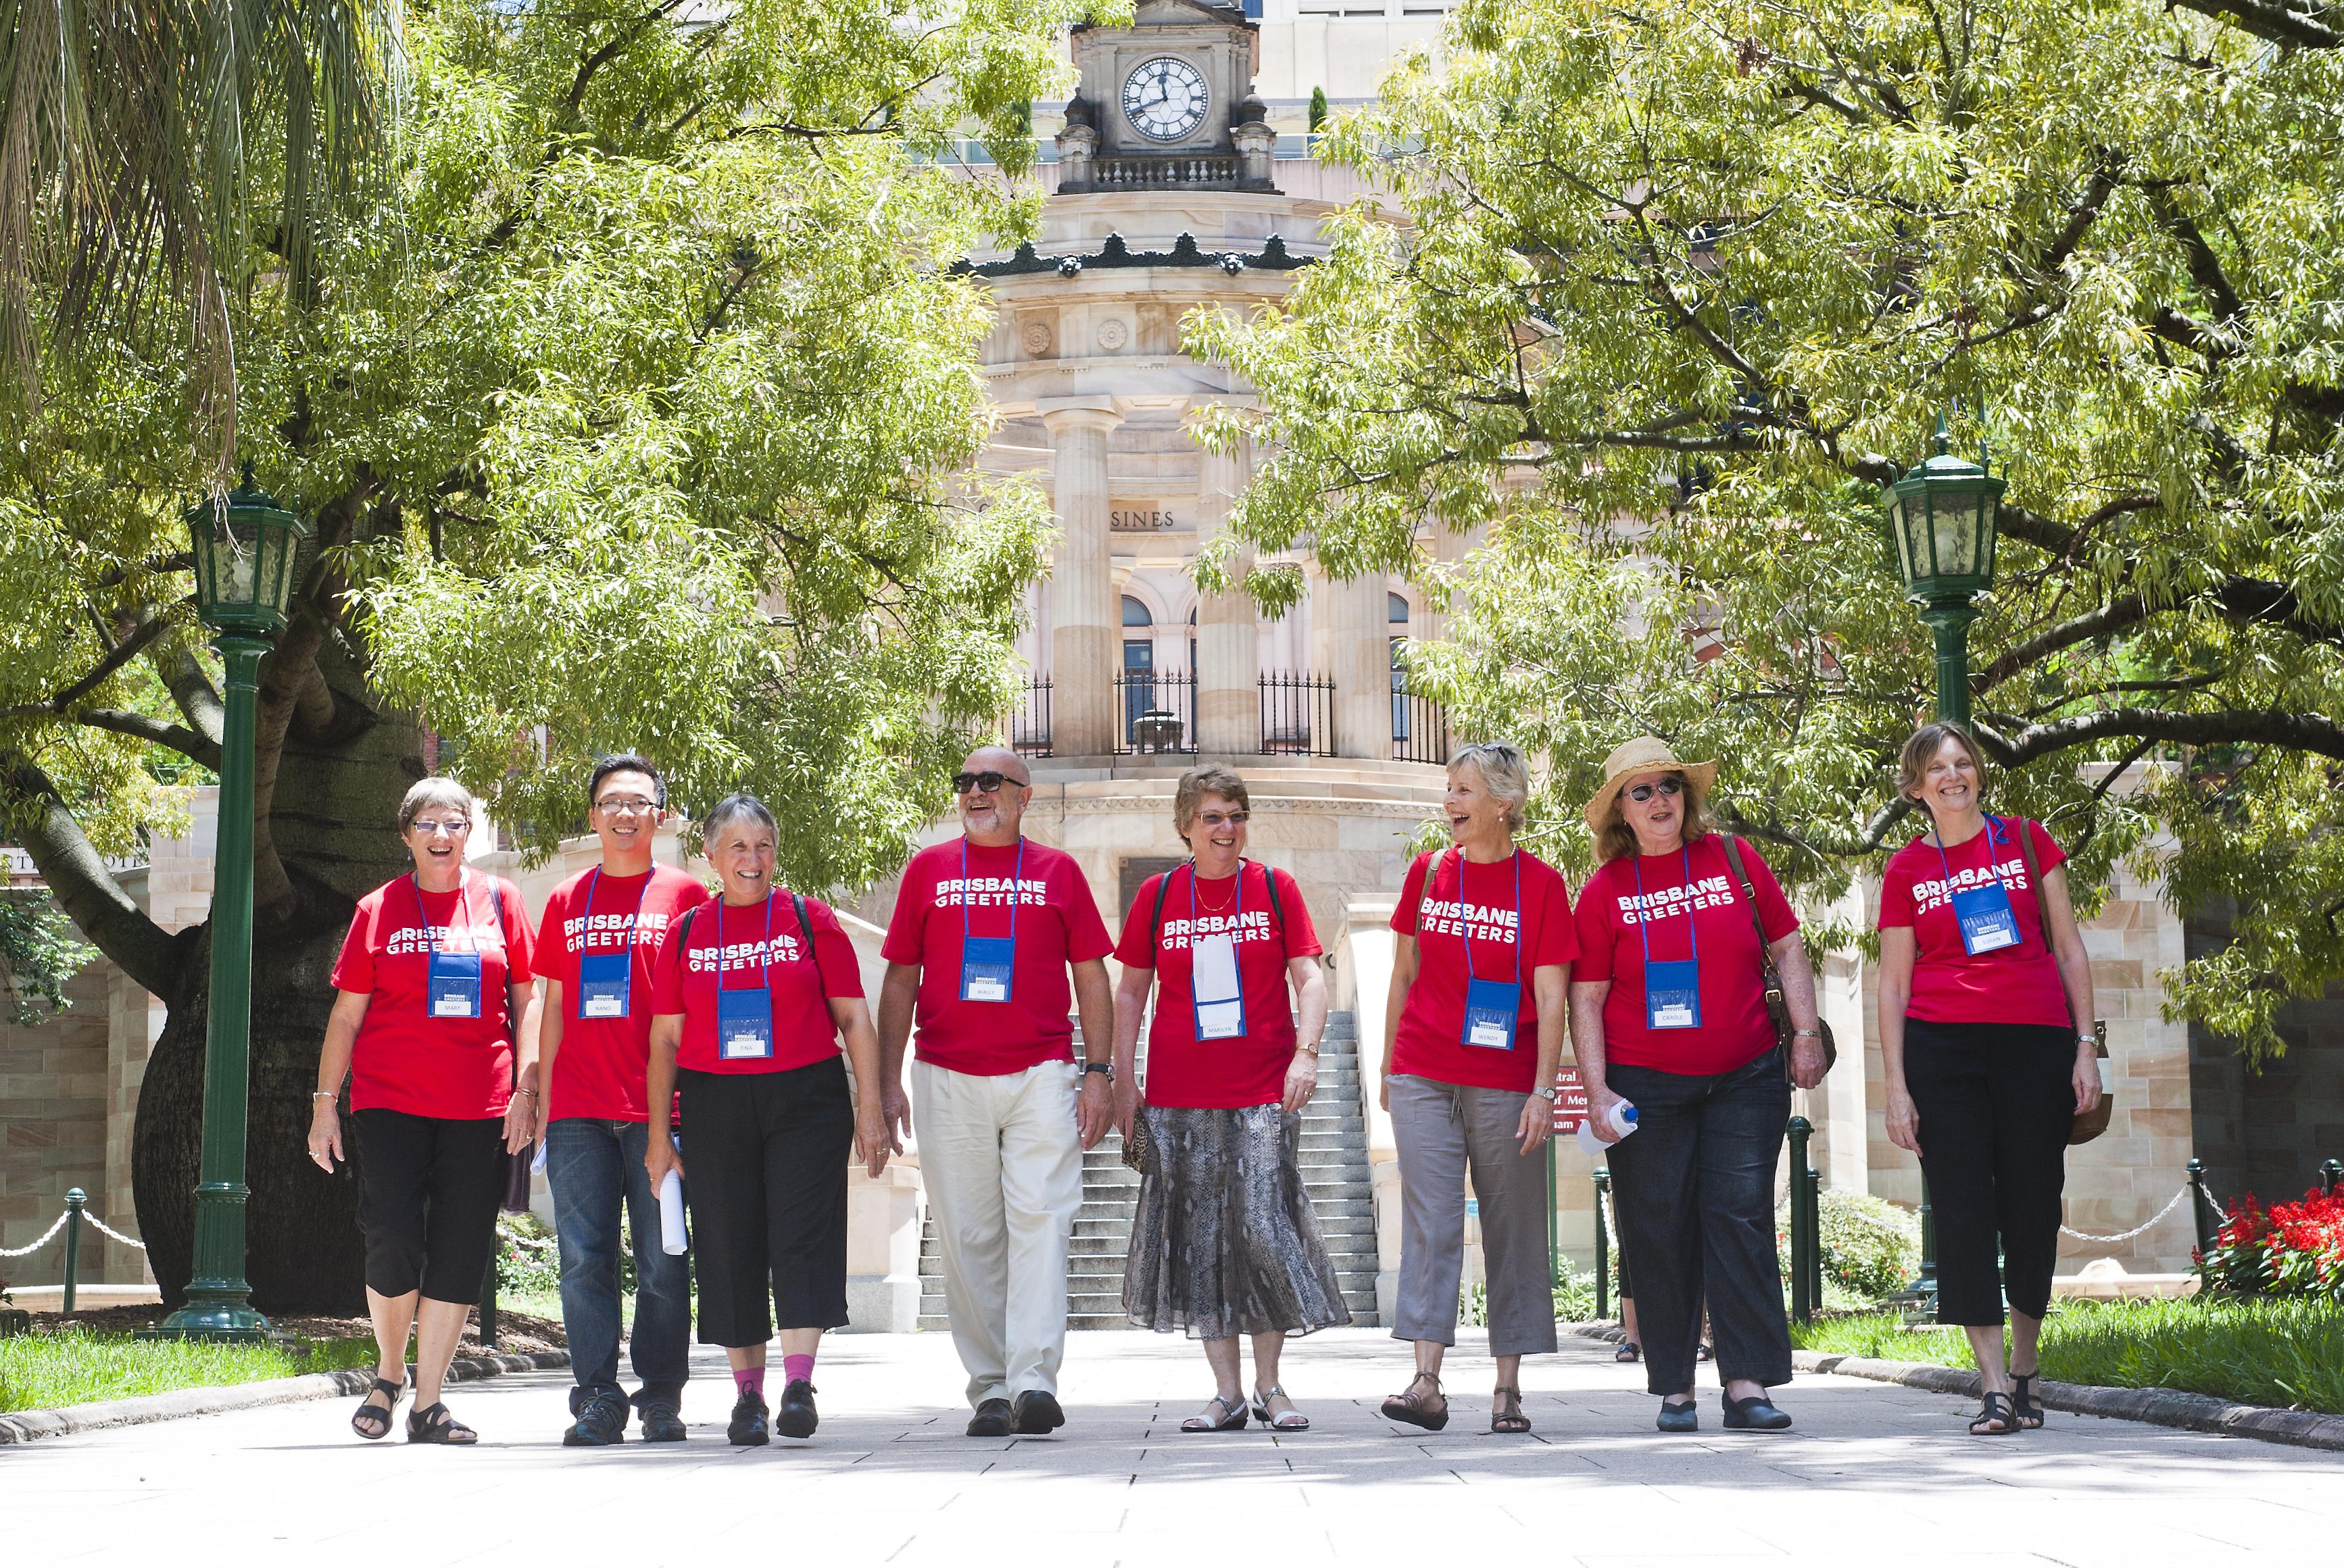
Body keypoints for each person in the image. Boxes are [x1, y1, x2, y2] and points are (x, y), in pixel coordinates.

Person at [1570, 736, 1827, 1434]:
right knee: (1658, 1229)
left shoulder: (1734, 859)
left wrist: (1806, 1032)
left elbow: (1788, 947)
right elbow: (1586, 998)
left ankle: (1747, 1383)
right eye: (1642, 791)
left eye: (1670, 786)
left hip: (1746, 1074)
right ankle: (1675, 1387)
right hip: (1645, 1085)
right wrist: (1596, 1091)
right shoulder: (1604, 891)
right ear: (1622, 811)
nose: (1660, 800)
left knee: (1739, 1217)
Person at [877, 745, 1117, 1438]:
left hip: (1041, 1073)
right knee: (969, 1235)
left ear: (1024, 796)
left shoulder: (1057, 871)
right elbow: (900, 978)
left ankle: (1033, 1381)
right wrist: (888, 1081)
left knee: (1042, 1220)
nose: (975, 792)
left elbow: (1091, 975)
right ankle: (989, 1387)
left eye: (991, 781)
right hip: (947, 1074)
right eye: (966, 782)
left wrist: (1098, 1072)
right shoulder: (928, 870)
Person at [643, 793, 889, 1446]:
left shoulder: (808, 919)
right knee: (728, 1242)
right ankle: (748, 1396)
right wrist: (658, 1139)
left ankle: (799, 1384)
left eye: (763, 847)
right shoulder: (687, 932)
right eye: (738, 848)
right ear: (712, 856)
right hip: (715, 1099)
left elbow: (854, 1018)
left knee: (803, 1236)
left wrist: (869, 1108)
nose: (752, 860)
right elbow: (664, 1039)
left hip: (805, 1097)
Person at [1110, 766, 1350, 1433]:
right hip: (1179, 1095)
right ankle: (1228, 1393)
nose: (1227, 828)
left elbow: (1310, 977)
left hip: (1262, 1092)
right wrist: (1123, 1078)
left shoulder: (1274, 887)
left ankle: (1271, 1385)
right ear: (1186, 825)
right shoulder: (1159, 896)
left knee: (1262, 1231)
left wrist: (1307, 1052)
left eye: (1237, 816)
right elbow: (1130, 992)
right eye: (1213, 816)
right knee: (1200, 1242)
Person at [1878, 721, 2100, 1436]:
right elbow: (1893, 985)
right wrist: (1896, 1087)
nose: (1953, 775)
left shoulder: (2027, 841)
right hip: (1941, 1050)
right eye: (1936, 768)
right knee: (1964, 1209)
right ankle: (1995, 1384)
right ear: (1917, 787)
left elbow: (2069, 949)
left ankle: (2028, 1363)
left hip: (2034, 1041)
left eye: (1962, 762)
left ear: (1978, 772)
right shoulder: (1907, 870)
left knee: (2034, 1204)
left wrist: (2086, 1047)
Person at [306, 777, 539, 1445]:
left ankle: (429, 1402)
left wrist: (527, 1091)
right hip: (391, 1102)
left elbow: (528, 1000)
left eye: (455, 823)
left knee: (461, 1247)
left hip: (482, 1105)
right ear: (407, 835)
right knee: (391, 1233)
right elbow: (346, 1016)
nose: (443, 835)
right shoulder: (378, 908)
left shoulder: (502, 900)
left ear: (469, 833)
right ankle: (389, 1372)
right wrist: (325, 1105)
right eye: (429, 824)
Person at [1379, 742, 1574, 1436]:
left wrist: (1544, 1090)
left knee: (1511, 1226)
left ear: (1504, 803)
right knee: (1430, 1222)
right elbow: (1402, 974)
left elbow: (1551, 998)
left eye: (1464, 789)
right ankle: (1426, 1382)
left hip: (1506, 1078)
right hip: (1423, 1071)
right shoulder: (1429, 872)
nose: (1450, 801)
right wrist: (1388, 1067)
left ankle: (1507, 1387)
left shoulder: (1542, 885)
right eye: (1450, 788)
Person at [530, 754, 706, 1445]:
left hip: (660, 1112)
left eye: (637, 802)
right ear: (594, 816)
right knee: (584, 1258)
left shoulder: (688, 896)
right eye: (611, 802)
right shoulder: (566, 899)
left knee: (664, 1261)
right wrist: (541, 1099)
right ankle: (598, 1398)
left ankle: (660, 1395)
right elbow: (553, 1005)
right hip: (578, 1112)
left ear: (659, 815)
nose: (624, 813)